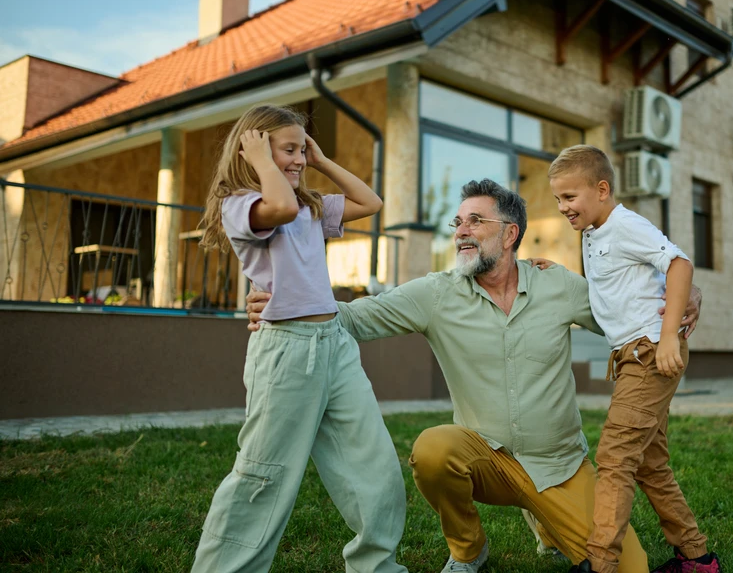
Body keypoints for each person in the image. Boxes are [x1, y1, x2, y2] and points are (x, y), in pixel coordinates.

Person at [246, 178, 703, 573]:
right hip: (486, 459)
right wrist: (289, 303)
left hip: (559, 465)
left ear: (510, 234)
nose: (462, 231)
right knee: (432, 450)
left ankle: (546, 519)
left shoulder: (557, 285)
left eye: (475, 222)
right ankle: (469, 550)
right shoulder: (437, 294)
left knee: (629, 567)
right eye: (458, 223)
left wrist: (684, 291)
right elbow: (357, 318)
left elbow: (628, 311)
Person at [192, 104, 408, 573]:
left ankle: (377, 566)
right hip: (287, 352)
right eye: (289, 149)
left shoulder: (309, 205)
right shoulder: (241, 206)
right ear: (253, 151)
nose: (298, 158)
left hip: (335, 346)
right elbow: (281, 206)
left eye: (301, 148)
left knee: (375, 466)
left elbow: (370, 203)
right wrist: (265, 161)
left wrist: (321, 161)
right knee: (264, 477)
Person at [545, 145, 720, 573]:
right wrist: (550, 271)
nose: (563, 208)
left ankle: (601, 564)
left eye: (570, 198)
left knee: (616, 457)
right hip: (630, 356)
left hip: (649, 355)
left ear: (601, 189)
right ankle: (698, 560)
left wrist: (667, 340)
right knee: (651, 465)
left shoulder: (624, 224)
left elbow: (679, 263)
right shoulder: (590, 232)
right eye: (558, 199)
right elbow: (612, 290)